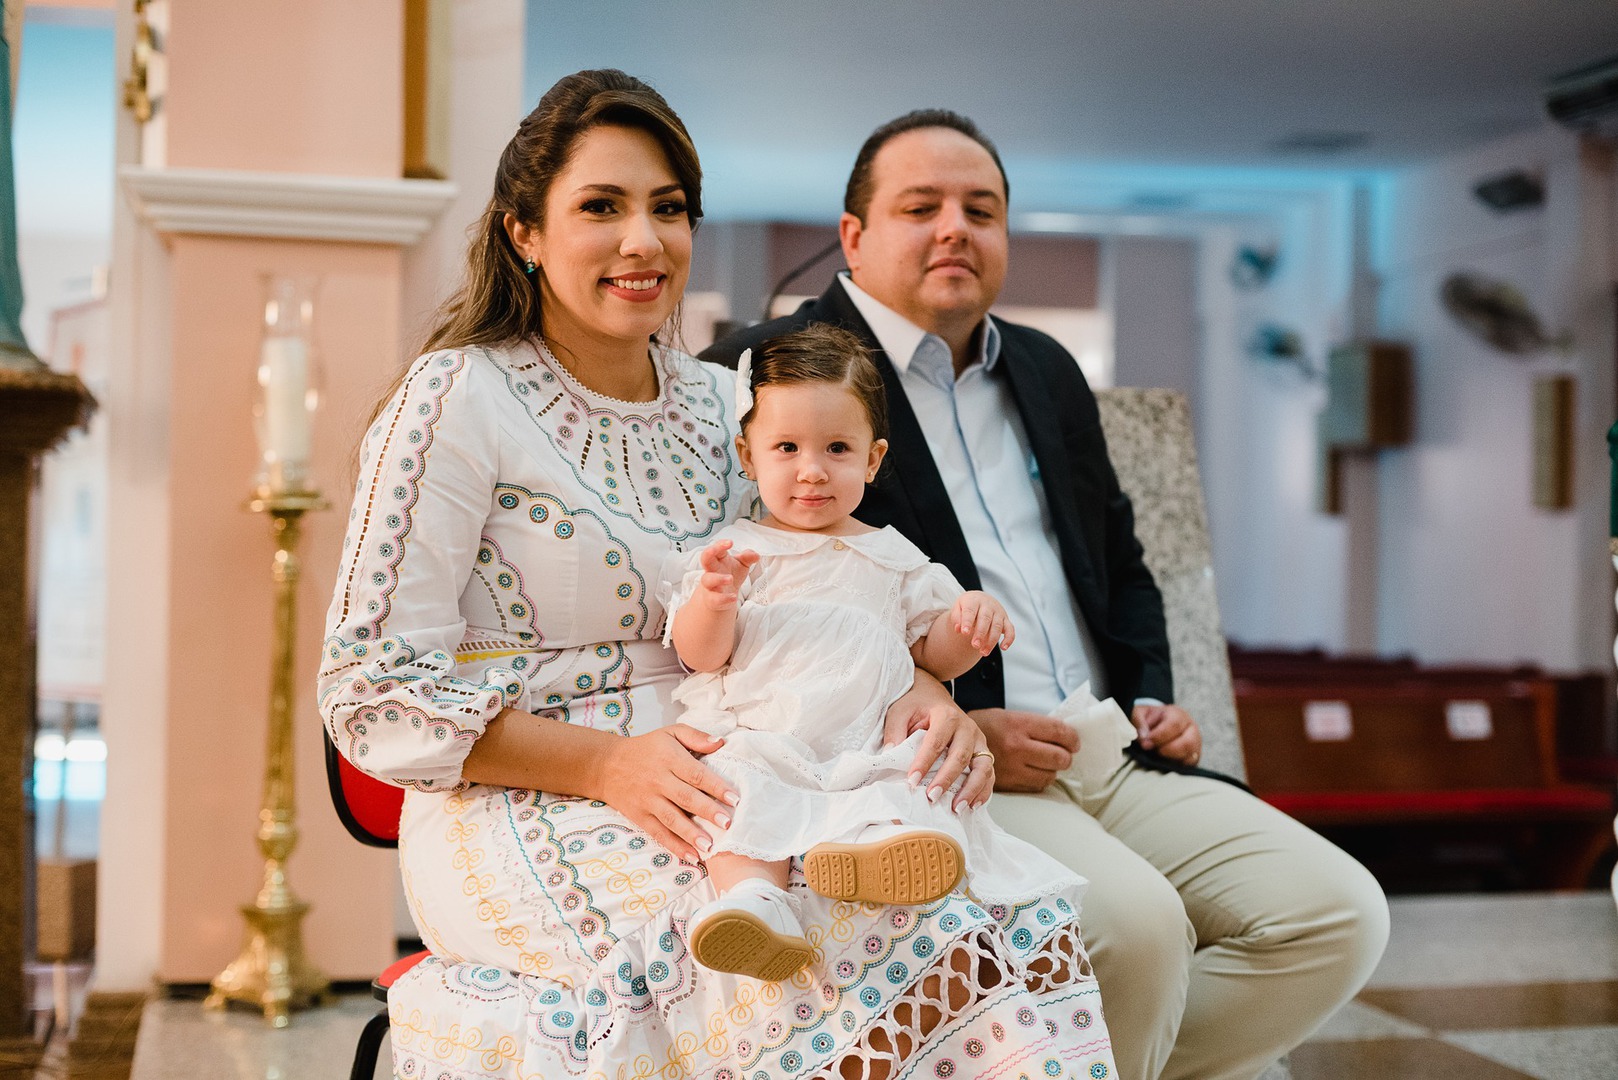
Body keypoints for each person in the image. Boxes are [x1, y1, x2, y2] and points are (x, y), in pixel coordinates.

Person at [320, 73, 1116, 1080]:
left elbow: (818, 584)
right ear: (525, 232)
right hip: (530, 796)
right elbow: (369, 689)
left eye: (668, 208)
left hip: (759, 761)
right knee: (806, 966)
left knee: (970, 929)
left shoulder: (727, 402)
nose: (643, 240)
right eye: (600, 207)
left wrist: (921, 692)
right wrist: (607, 766)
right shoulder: (454, 397)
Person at [703, 109, 1391, 1080]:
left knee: (1337, 915)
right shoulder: (769, 369)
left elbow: (1118, 558)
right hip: (949, 766)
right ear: (853, 235)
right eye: (921, 207)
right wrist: (947, 716)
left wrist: (1151, 693)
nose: (956, 228)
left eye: (981, 209)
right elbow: (761, 612)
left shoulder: (1043, 365)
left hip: (1105, 743)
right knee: (1138, 936)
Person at [670, 328, 1102, 1035]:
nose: (812, 471)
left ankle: (877, 854)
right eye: (787, 449)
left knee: (910, 776)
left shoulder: (896, 559)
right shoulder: (736, 553)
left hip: (865, 736)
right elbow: (701, 657)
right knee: (737, 787)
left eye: (837, 450)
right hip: (765, 728)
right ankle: (753, 903)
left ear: (872, 460)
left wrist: (967, 623)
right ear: (748, 457)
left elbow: (933, 655)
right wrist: (713, 602)